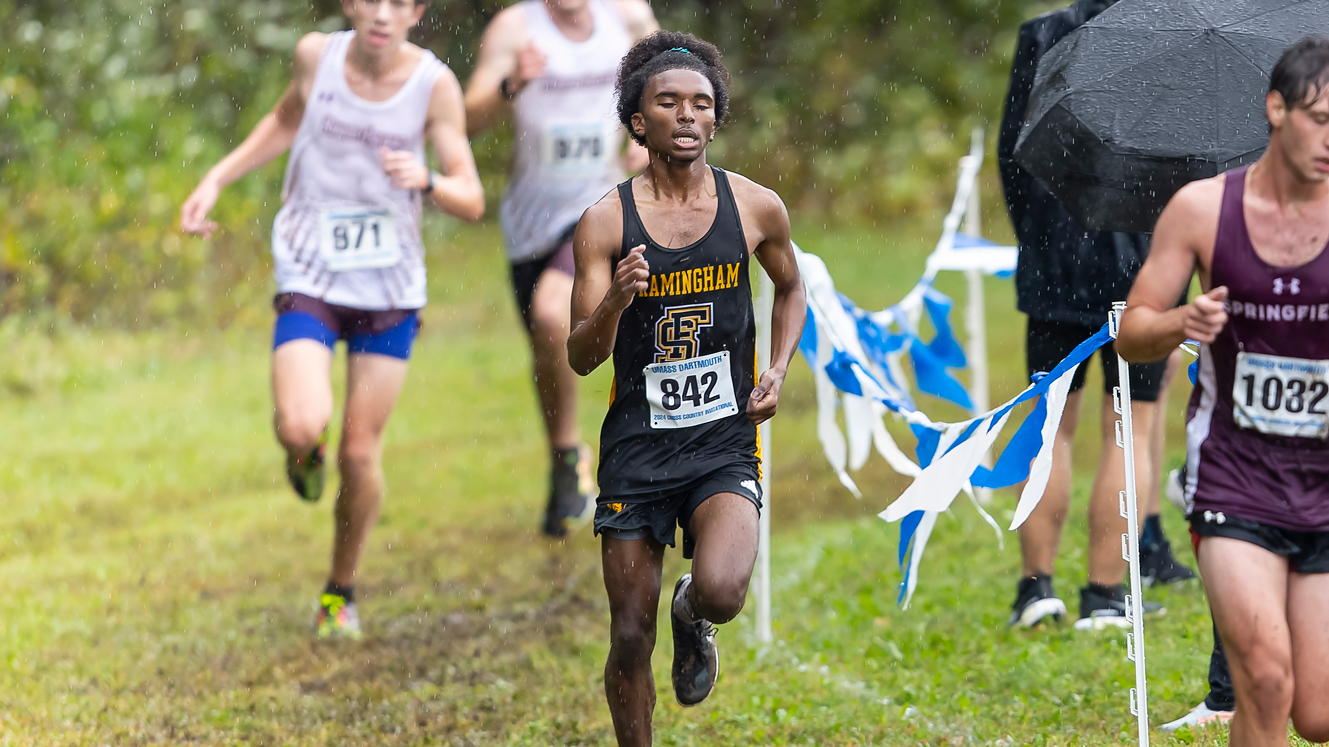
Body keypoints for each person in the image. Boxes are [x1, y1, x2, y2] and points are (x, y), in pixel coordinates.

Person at [179, 0, 484, 639]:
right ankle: (301, 451)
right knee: (298, 424)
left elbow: (471, 196)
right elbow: (284, 121)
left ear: (417, 12)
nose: (381, 13)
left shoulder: (434, 85)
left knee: (359, 451)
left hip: (389, 287)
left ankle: (338, 592)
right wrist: (216, 178)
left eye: (399, 3)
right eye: (371, 0)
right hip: (311, 270)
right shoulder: (316, 57)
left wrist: (424, 178)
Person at [566, 31, 805, 746]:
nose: (687, 115)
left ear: (716, 116)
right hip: (636, 448)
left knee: (725, 590)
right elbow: (580, 355)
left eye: (701, 103)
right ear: (637, 121)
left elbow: (791, 288)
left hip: (721, 440)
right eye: (667, 102)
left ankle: (690, 609)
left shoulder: (755, 206)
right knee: (629, 633)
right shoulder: (606, 221)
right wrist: (614, 300)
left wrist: (779, 367)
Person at [1117, 35, 1329, 746]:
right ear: (1275, 108)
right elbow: (1133, 330)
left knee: (1318, 712)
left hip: (1324, 482)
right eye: (1319, 118)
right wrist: (1184, 316)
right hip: (1235, 477)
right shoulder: (1203, 209)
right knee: (1263, 680)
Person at [997, 0, 1193, 631]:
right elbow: (1193, 161)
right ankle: (1105, 595)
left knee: (1050, 426)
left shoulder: (1045, 34)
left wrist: (1039, 237)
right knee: (1129, 430)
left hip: (1056, 258)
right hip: (1148, 260)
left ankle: (1035, 591)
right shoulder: (1180, 40)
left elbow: (1013, 154)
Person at [464, 0, 658, 537]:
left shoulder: (626, 16)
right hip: (532, 222)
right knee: (545, 348)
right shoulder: (516, 28)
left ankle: (623, 459)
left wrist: (647, 143)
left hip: (604, 208)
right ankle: (564, 460)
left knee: (555, 316)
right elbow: (464, 120)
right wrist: (511, 84)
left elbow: (673, 78)